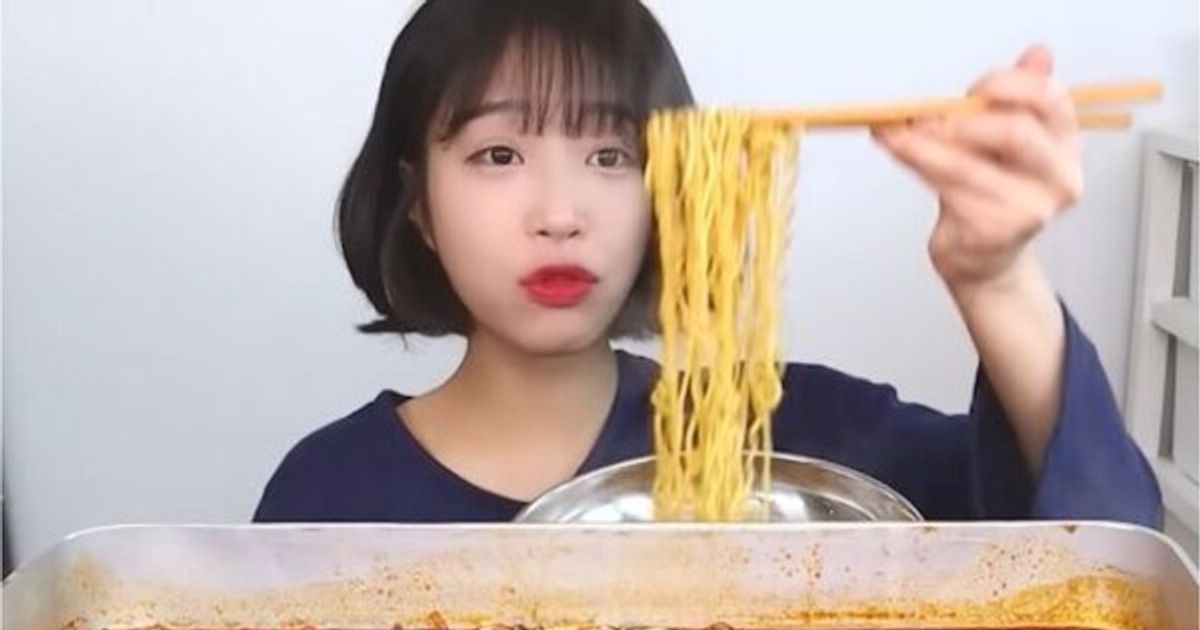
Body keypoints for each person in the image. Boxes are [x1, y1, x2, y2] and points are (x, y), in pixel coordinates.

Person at [253, 0, 1160, 526]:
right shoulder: (328, 495)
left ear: (673, 187)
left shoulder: (783, 438)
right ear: (418, 204)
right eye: (499, 154)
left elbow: (1103, 546)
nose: (561, 214)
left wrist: (995, 279)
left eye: (611, 155)